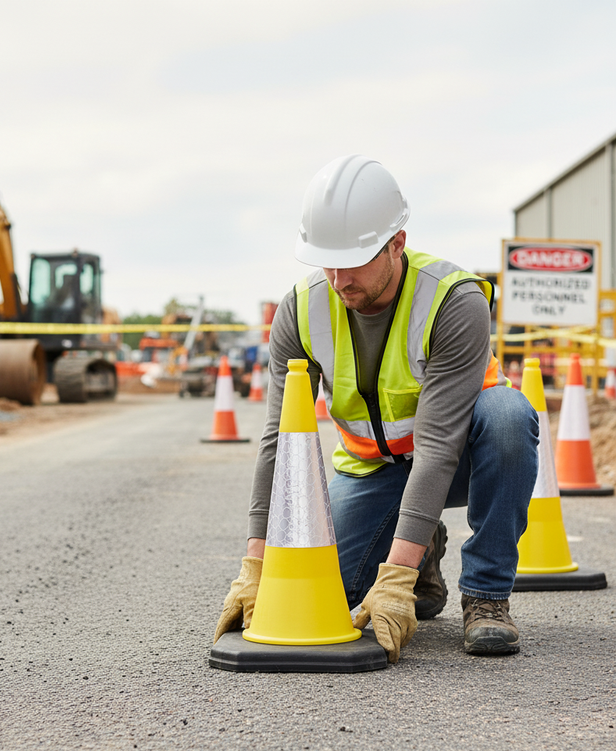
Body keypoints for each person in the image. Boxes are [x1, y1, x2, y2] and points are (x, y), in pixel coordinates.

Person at [213, 155, 539, 663]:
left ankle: (487, 594)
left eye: (356, 258)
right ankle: (423, 544)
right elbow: (279, 441)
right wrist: (257, 564)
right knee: (331, 588)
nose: (340, 279)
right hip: (375, 468)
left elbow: (436, 445)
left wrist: (395, 577)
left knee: (507, 417)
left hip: (465, 456)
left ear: (397, 243)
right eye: (328, 260)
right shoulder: (300, 311)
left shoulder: (453, 300)